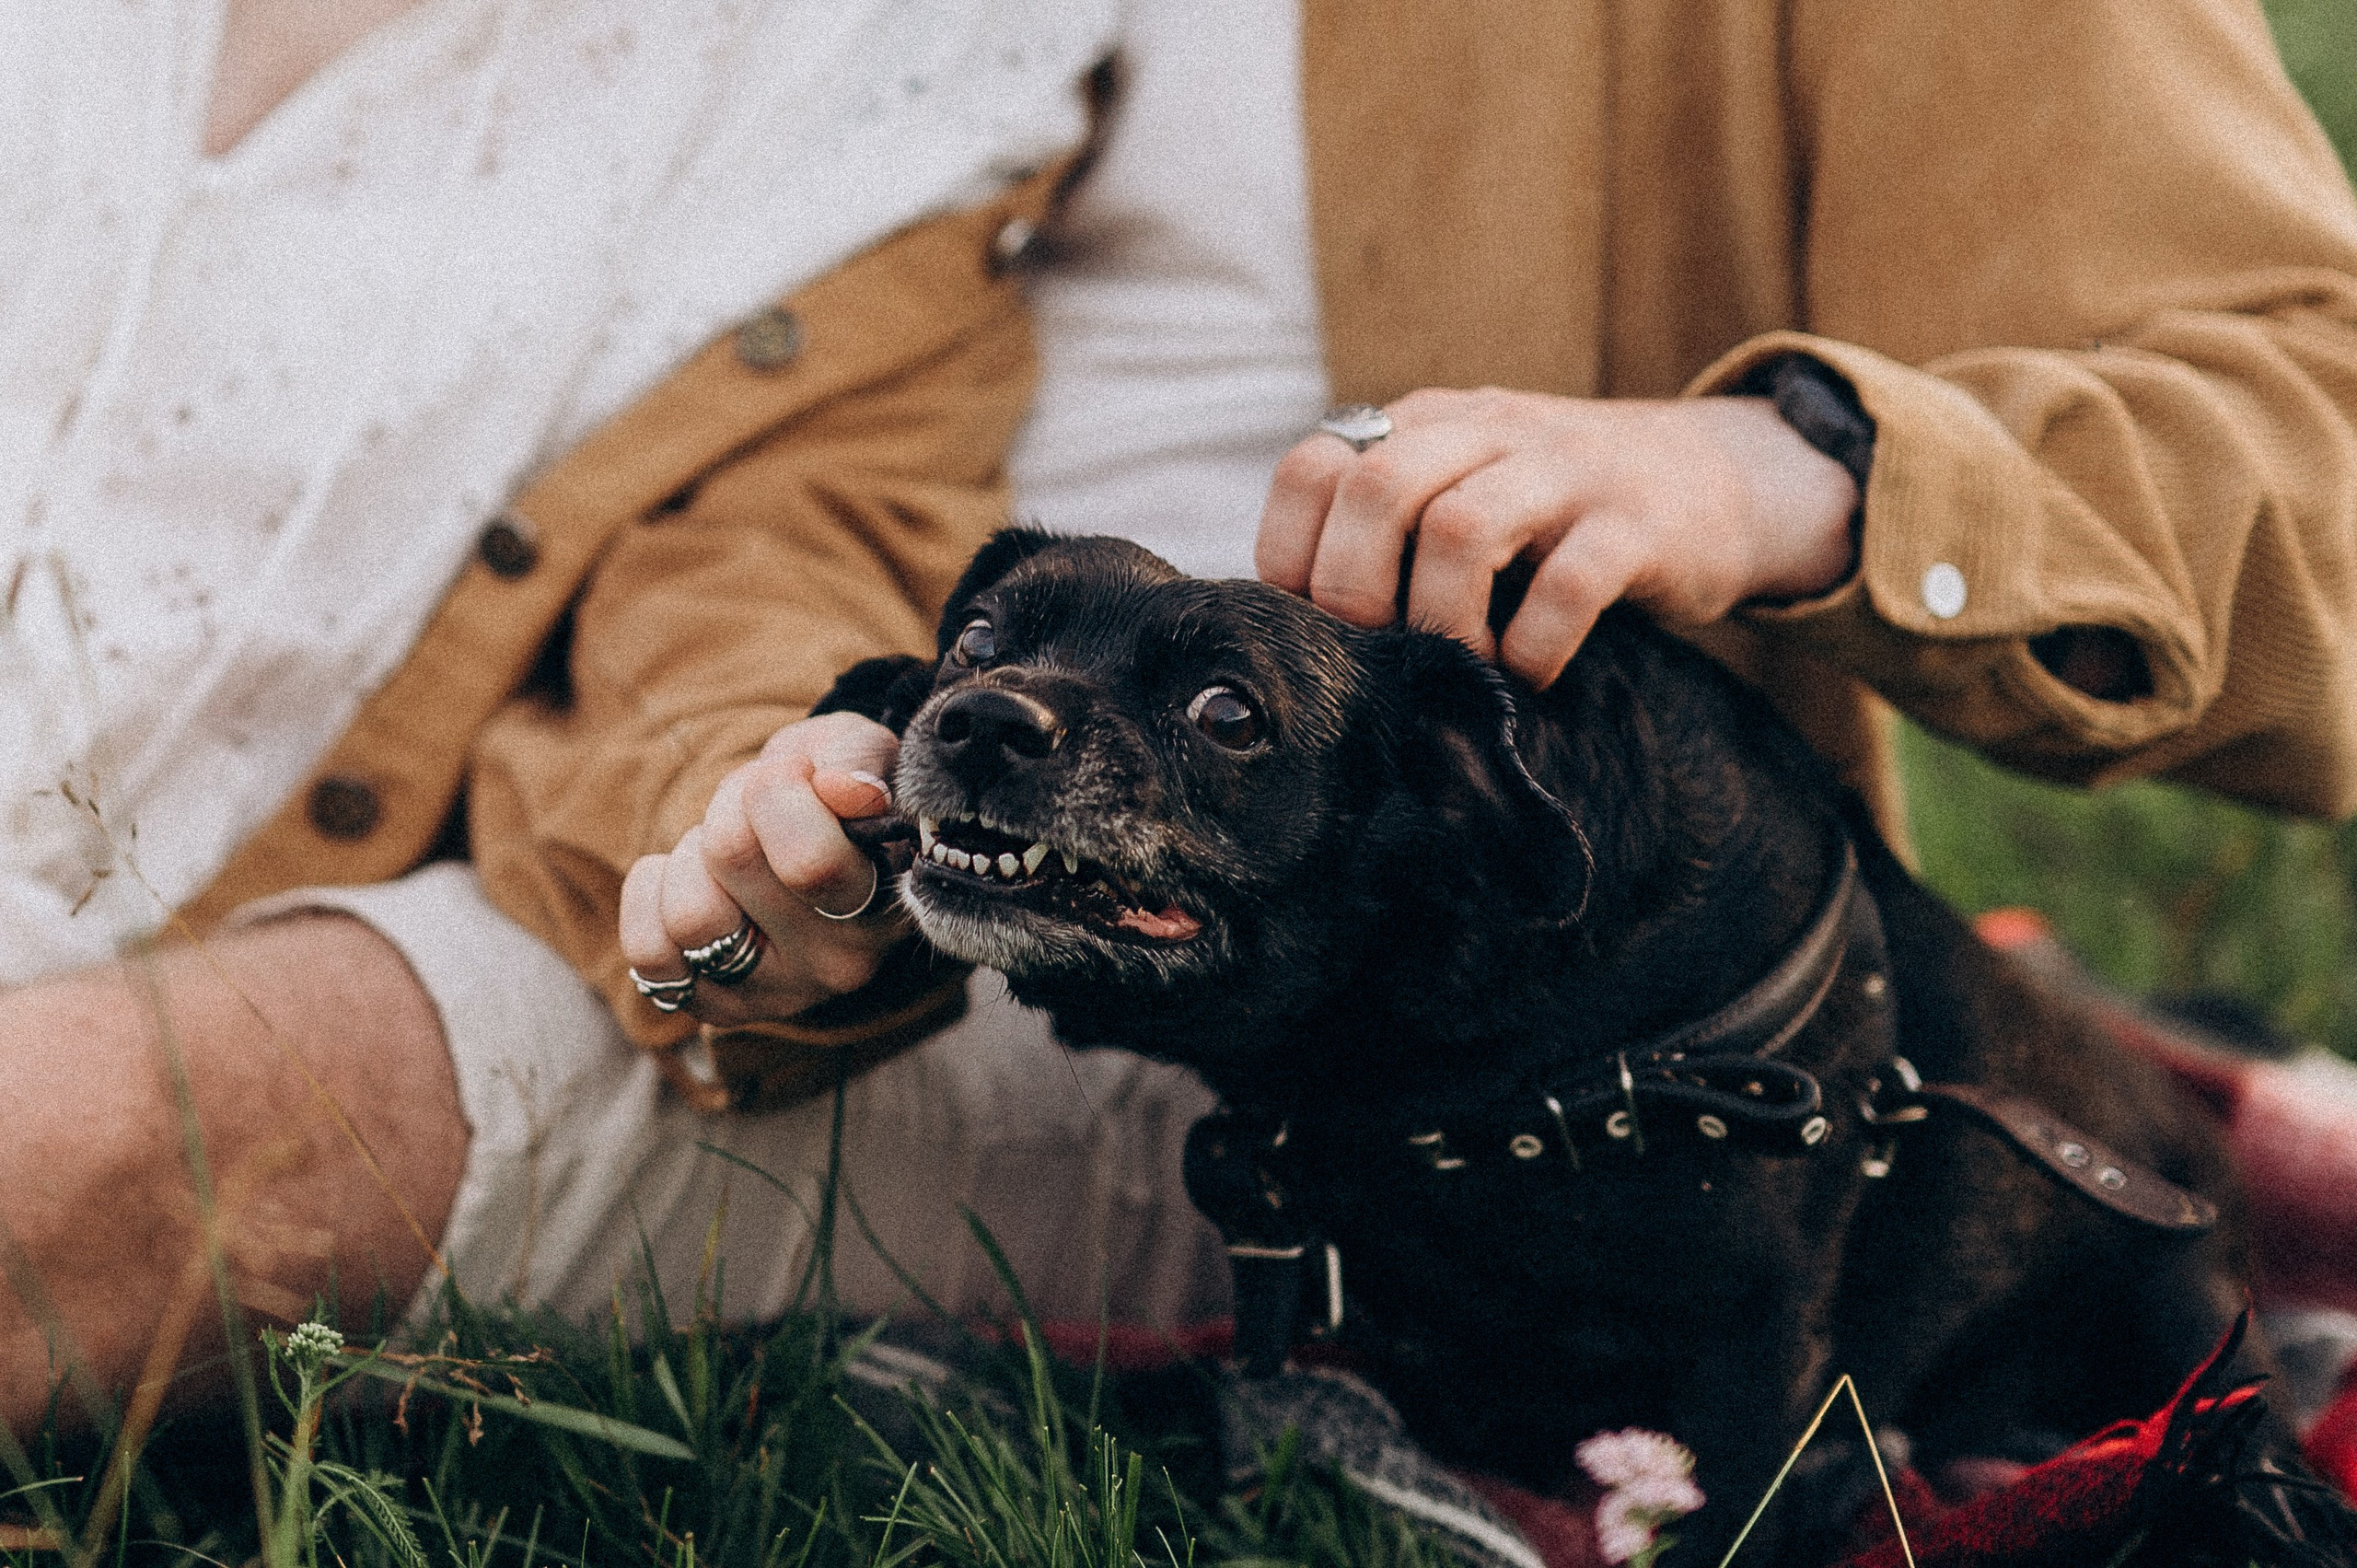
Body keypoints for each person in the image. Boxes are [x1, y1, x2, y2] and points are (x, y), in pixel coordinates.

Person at [9, 0, 2357, 1432]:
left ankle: (2074, 1087)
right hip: (802, 889)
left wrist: (1775, 470)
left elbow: (2302, 439)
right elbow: (775, 516)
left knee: (82, 1156)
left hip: (1374, 1030)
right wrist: (746, 800)